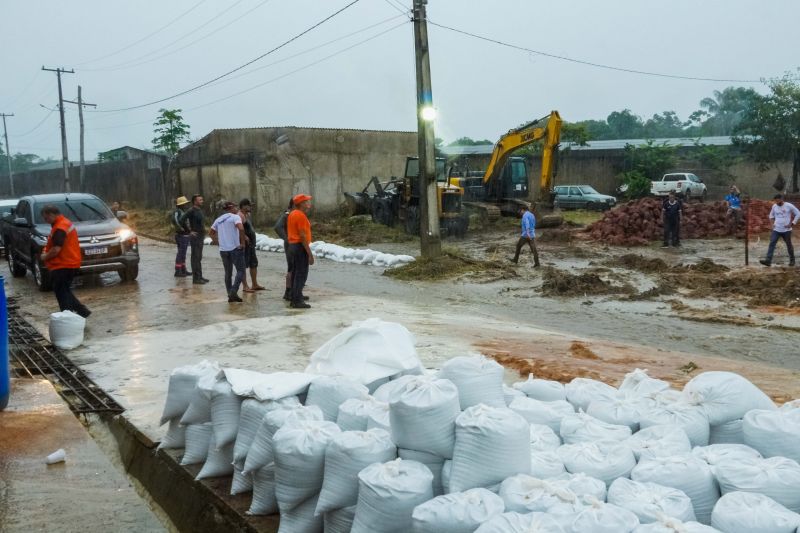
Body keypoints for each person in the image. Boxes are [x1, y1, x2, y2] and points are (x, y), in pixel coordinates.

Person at [39, 205, 91, 318]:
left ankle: (67, 316)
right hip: (68, 263)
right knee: (64, 290)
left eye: (46, 218)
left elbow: (56, 249)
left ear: (51, 214)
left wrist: (45, 257)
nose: (46, 221)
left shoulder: (60, 227)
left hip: (63, 264)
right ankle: (82, 312)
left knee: (62, 293)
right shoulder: (63, 223)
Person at [210, 201, 247, 302]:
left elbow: (211, 233)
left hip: (223, 250)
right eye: (235, 207)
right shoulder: (235, 217)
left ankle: (230, 294)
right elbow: (241, 228)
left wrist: (217, 242)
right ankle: (233, 292)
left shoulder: (218, 219)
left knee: (228, 272)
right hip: (234, 249)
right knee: (241, 270)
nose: (236, 209)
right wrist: (243, 243)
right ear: (231, 208)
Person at [286, 194, 314, 309]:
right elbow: (302, 236)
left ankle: (295, 296)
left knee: (296, 273)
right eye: (307, 201)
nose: (309, 203)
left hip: (292, 246)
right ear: (302, 204)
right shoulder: (300, 215)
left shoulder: (293, 214)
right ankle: (297, 301)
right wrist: (309, 254)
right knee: (301, 274)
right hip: (299, 246)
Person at [760, 194, 799, 267]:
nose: (776, 202)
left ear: (781, 199)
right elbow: (771, 216)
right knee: (772, 243)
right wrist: (772, 224)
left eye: (777, 200)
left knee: (789, 245)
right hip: (776, 229)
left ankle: (792, 260)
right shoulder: (774, 206)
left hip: (786, 230)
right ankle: (768, 261)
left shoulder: (789, 206)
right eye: (775, 201)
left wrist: (792, 223)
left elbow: (798, 213)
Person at [238, 198, 265, 293]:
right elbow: (237, 228)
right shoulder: (240, 215)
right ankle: (245, 286)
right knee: (243, 265)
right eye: (249, 206)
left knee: (253, 263)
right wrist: (244, 236)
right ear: (244, 206)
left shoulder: (247, 215)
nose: (251, 207)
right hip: (245, 245)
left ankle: (254, 284)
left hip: (251, 245)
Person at [183, 194, 209, 284]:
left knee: (199, 257)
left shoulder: (199, 210)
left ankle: (200, 276)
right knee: (195, 257)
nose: (202, 201)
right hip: (195, 237)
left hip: (201, 236)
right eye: (200, 200)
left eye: (202, 199)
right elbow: (181, 220)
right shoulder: (191, 210)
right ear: (195, 201)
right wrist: (189, 231)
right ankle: (196, 279)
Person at [274, 198, 295, 301]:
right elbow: (277, 227)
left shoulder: (293, 214)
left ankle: (295, 291)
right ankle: (288, 292)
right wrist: (288, 239)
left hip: (294, 245)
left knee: (296, 269)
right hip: (291, 245)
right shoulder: (287, 215)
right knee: (291, 268)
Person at [171, 196, 192, 277]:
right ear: (180, 205)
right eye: (184, 204)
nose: (186, 205)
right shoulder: (177, 211)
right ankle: (178, 271)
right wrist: (180, 228)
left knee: (183, 253)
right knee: (180, 253)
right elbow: (175, 220)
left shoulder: (183, 211)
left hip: (185, 235)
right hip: (181, 235)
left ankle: (183, 269)